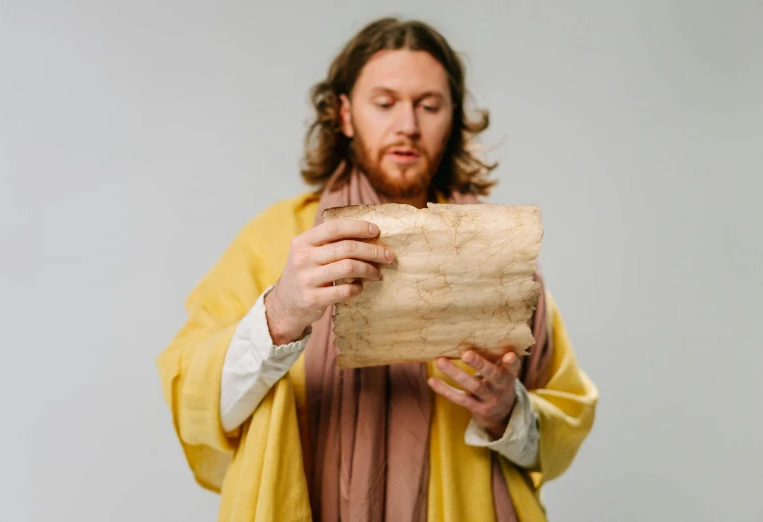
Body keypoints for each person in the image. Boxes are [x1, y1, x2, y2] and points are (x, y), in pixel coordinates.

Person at [156, 17, 597, 522]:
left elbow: (565, 416)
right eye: (384, 103)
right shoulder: (275, 240)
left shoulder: (499, 256)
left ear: (452, 117)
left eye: (429, 105)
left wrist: (507, 411)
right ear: (345, 114)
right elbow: (195, 403)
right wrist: (280, 312)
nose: (407, 125)